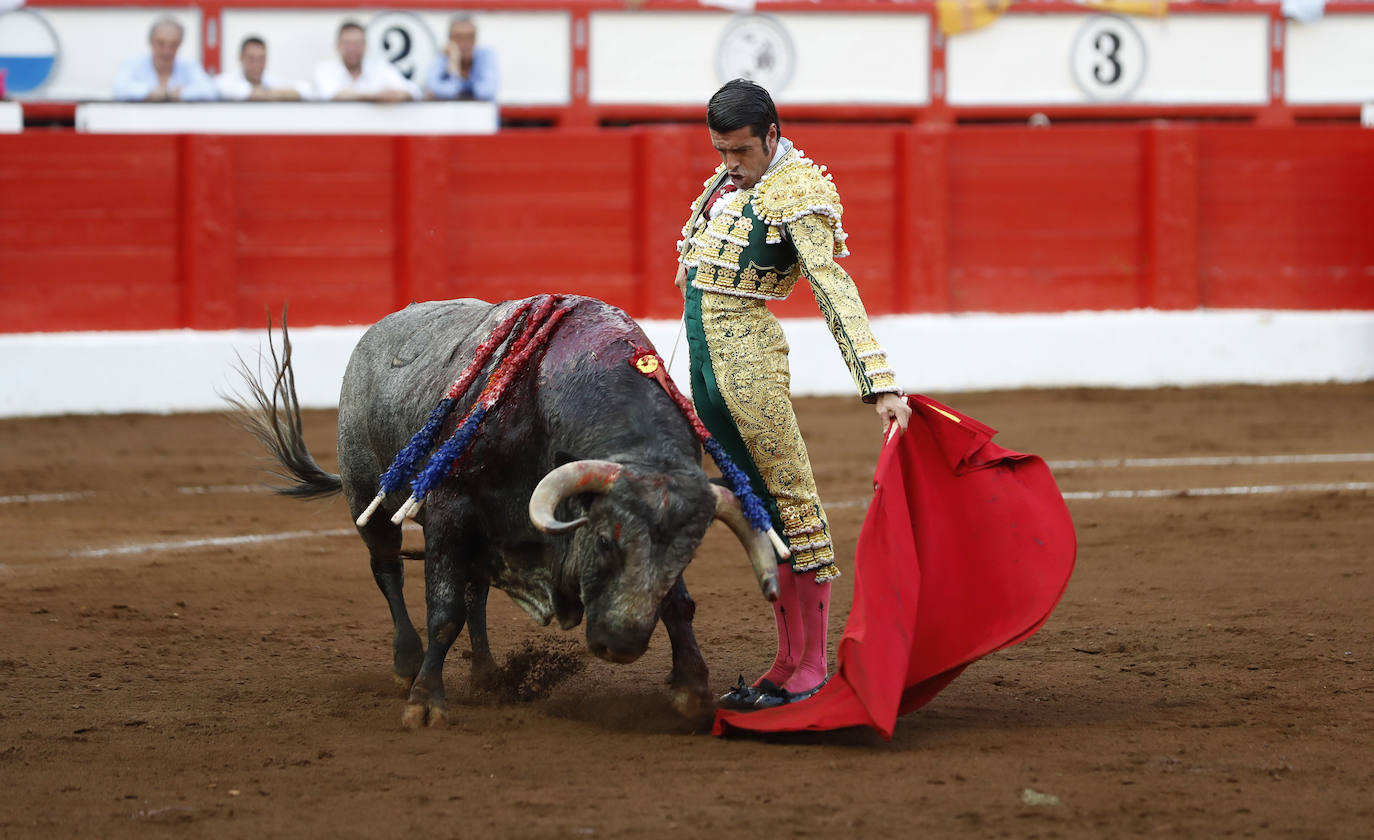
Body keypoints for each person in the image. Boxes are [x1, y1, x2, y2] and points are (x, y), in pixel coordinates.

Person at [674, 80, 912, 710]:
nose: (729, 164)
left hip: (749, 363)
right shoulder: (728, 183)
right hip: (705, 363)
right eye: (721, 150)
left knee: (791, 503)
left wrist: (878, 382)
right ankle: (784, 661)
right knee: (758, 509)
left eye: (741, 151)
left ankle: (809, 665)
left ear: (772, 136)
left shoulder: (799, 190)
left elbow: (832, 286)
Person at [112, 16, 217, 102]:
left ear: (180, 44)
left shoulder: (189, 66)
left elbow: (210, 91)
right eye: (161, 43)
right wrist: (150, 93)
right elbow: (119, 89)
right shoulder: (132, 64)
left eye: (173, 45)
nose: (167, 51)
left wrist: (181, 94)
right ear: (151, 42)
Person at [312, 20, 419, 102]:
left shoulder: (380, 68)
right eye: (347, 44)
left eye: (357, 44)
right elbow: (331, 94)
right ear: (338, 46)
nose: (352, 49)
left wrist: (397, 95)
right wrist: (375, 97)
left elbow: (413, 90)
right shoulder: (325, 69)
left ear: (365, 46)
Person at [423, 14, 498, 102]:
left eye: (470, 37)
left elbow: (488, 91)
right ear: (450, 40)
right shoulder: (442, 58)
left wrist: (459, 86)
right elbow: (433, 88)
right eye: (459, 37)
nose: (465, 43)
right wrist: (454, 66)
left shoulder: (486, 55)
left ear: (475, 39)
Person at [216, 36, 306, 101]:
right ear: (241, 58)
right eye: (251, 59)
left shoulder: (272, 79)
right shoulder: (226, 81)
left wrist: (266, 94)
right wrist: (276, 94)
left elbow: (303, 90)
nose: (257, 64)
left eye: (261, 59)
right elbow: (235, 90)